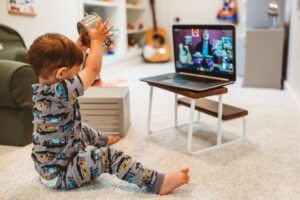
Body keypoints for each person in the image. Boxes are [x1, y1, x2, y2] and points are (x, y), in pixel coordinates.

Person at [28, 18, 189, 195]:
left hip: (48, 166)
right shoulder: (62, 92)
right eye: (75, 73)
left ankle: (103, 139)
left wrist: (79, 48)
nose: (78, 75)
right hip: (62, 174)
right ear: (61, 73)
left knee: (82, 130)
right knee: (109, 156)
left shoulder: (44, 90)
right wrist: (97, 42)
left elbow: (75, 68)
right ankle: (157, 183)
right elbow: (93, 70)